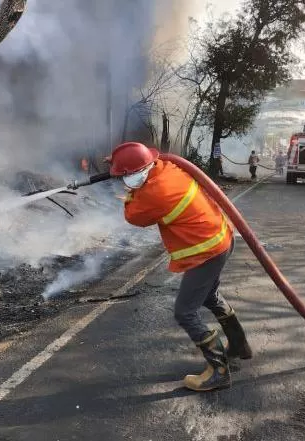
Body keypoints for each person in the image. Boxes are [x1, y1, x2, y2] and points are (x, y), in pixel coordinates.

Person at [108, 141, 252, 392]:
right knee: (209, 296)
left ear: (137, 173)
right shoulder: (167, 168)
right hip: (221, 240)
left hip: (206, 252)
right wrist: (122, 162)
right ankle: (239, 345)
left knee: (185, 312)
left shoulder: (155, 193)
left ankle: (219, 372)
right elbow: (139, 172)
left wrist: (130, 193)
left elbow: (133, 216)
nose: (124, 181)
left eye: (125, 176)